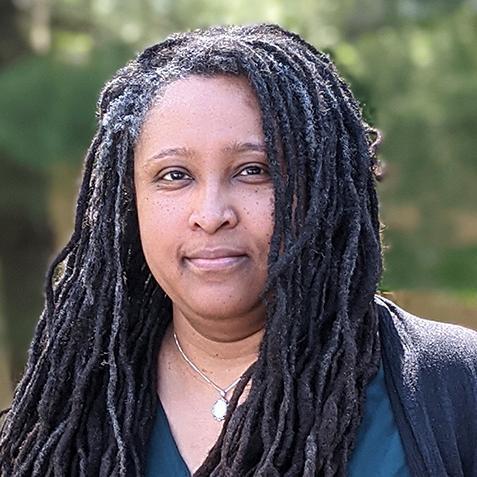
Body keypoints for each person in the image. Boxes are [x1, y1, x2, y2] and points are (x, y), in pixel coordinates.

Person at [0, 24, 476, 477]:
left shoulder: (456, 387)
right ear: (131, 204)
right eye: (174, 176)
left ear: (323, 186)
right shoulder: (62, 413)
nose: (211, 214)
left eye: (253, 170)